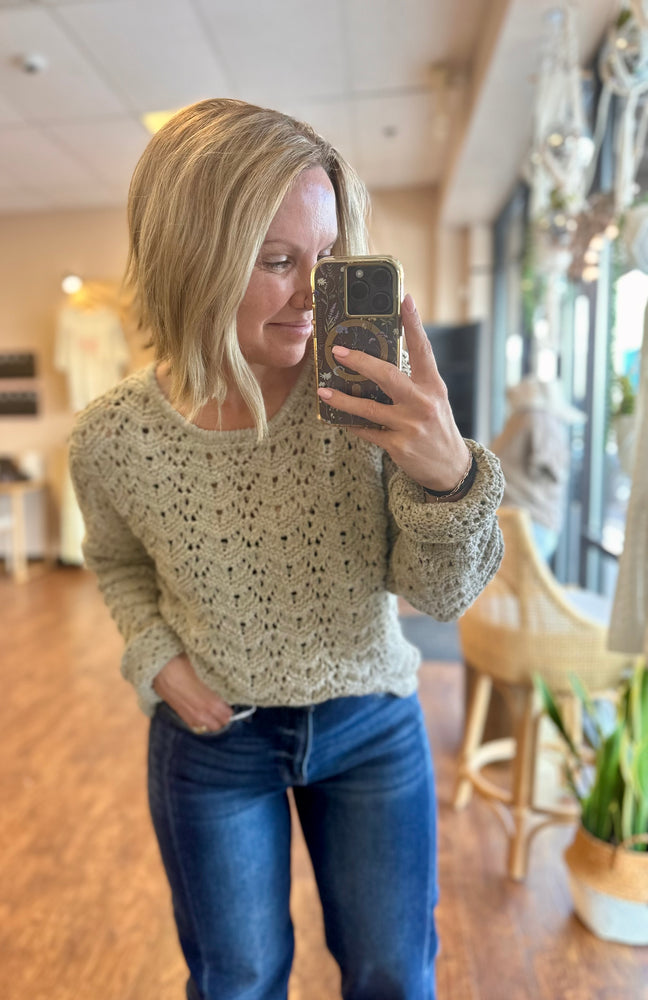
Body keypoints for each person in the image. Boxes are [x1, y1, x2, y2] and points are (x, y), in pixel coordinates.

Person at [70, 98, 504, 1000]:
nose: (313, 292)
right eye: (276, 261)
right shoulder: (112, 439)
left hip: (371, 722)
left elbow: (441, 595)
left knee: (394, 975)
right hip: (213, 740)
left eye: (328, 257)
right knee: (237, 980)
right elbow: (116, 562)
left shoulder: (370, 404)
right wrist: (156, 660)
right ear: (193, 257)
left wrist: (448, 478)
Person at [490, 376, 584, 561]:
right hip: (524, 519)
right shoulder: (527, 419)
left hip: (529, 521)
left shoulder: (535, 418)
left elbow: (547, 466)